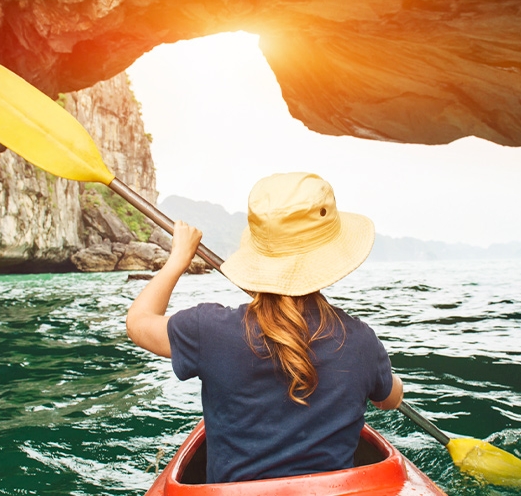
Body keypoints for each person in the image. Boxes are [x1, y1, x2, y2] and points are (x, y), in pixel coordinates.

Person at [126, 172, 403, 483]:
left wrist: (178, 259)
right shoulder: (362, 342)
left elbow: (138, 322)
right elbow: (390, 399)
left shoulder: (207, 330)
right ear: (331, 253)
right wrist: (379, 374)